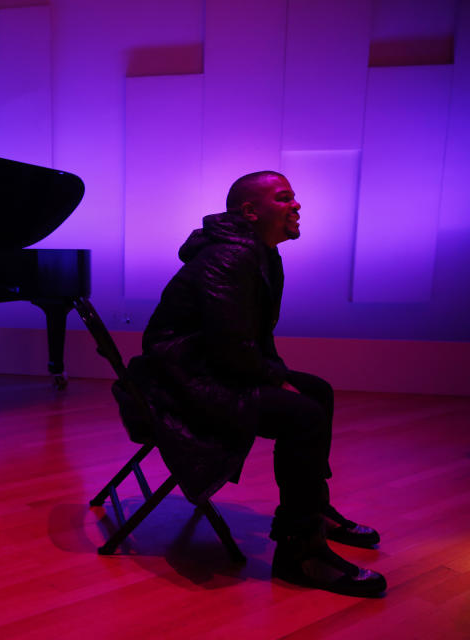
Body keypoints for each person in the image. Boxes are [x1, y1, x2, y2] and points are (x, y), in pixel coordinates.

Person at [139, 171, 386, 597]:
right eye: (284, 198)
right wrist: (274, 380)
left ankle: (313, 509)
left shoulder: (260, 254)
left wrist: (279, 376)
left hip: (207, 369)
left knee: (317, 391)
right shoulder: (230, 258)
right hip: (185, 381)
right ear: (250, 212)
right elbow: (230, 345)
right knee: (303, 415)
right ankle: (298, 549)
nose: (297, 205)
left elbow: (252, 339)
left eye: (294, 198)